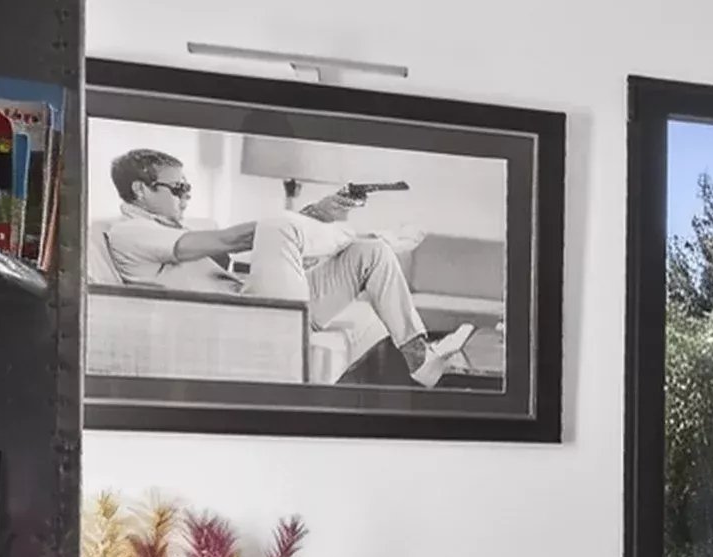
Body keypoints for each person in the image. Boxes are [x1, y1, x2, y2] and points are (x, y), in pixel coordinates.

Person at [246, 179, 475, 390]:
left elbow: (265, 237)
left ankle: (418, 356)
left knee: (374, 252)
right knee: (278, 227)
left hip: (264, 287)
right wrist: (322, 218)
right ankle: (373, 237)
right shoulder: (269, 227)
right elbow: (245, 237)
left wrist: (317, 213)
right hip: (256, 306)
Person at [97, 148, 253, 289]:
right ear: (140, 189)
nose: (187, 195)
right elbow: (230, 241)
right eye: (178, 188)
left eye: (186, 187)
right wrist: (266, 229)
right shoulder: (131, 231)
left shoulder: (164, 226)